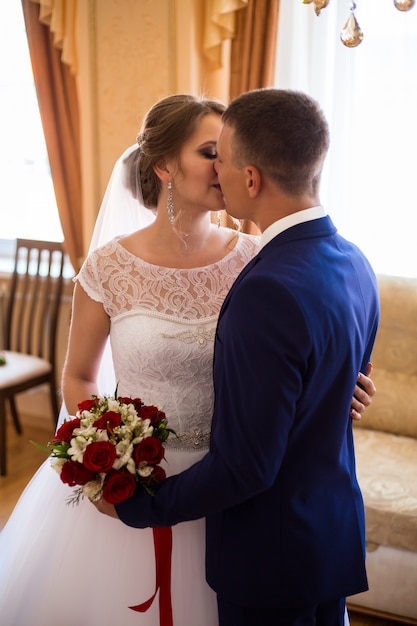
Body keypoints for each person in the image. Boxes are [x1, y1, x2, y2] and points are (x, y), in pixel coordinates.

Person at [0, 93, 375, 626]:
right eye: (210, 151)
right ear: (164, 166)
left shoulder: (258, 259)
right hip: (146, 475)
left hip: (229, 491)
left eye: (225, 152)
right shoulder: (109, 267)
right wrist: (102, 452)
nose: (224, 166)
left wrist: (340, 392)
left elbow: (303, 363)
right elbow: (80, 374)